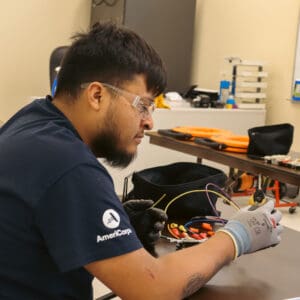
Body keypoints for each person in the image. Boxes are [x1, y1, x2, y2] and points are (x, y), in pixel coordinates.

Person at [0, 22, 282, 300]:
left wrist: (104, 227)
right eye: (143, 105)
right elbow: (153, 290)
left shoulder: (31, 122)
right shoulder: (69, 164)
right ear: (96, 95)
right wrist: (237, 236)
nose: (149, 121)